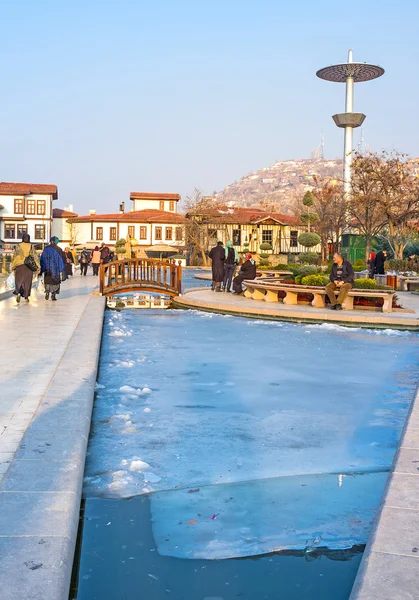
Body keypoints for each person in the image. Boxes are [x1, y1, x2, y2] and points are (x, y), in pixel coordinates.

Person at [11, 233, 39, 303]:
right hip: (28, 267)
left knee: (19, 281)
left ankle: (19, 293)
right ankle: (26, 297)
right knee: (27, 282)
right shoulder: (31, 246)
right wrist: (38, 267)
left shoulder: (18, 246)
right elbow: (35, 257)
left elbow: (14, 256)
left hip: (19, 266)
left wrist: (13, 267)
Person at [40, 237, 66, 301]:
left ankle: (47, 291)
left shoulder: (46, 249)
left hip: (47, 269)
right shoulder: (59, 249)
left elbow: (42, 259)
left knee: (48, 281)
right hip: (55, 269)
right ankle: (53, 294)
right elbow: (62, 260)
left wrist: (42, 268)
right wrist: (61, 268)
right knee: (55, 282)